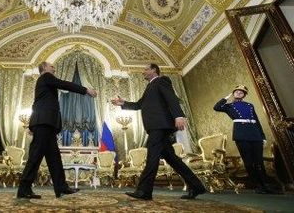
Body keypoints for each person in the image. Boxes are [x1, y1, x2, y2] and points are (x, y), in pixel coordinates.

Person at [111, 63, 205, 200]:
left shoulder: (162, 80)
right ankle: (196, 186)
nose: (143, 72)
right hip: (155, 127)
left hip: (160, 126)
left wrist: (179, 115)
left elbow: (171, 97)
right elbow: (139, 104)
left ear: (154, 70)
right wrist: (123, 103)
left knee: (152, 157)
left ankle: (144, 191)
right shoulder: (150, 86)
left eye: (146, 69)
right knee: (173, 159)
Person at [17, 62, 97, 199]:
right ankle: (24, 189)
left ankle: (61, 187)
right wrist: (86, 90)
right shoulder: (46, 76)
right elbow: (64, 84)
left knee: (54, 158)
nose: (54, 68)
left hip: (46, 124)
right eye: (51, 66)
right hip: (44, 123)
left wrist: (32, 123)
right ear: (44, 68)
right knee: (35, 157)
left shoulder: (44, 82)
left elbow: (36, 103)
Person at [214, 85, 274, 194]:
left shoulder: (250, 105)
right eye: (236, 91)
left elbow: (257, 121)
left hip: (255, 134)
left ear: (244, 95)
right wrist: (226, 98)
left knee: (259, 161)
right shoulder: (229, 106)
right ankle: (257, 186)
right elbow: (216, 107)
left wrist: (262, 136)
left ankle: (266, 185)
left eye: (241, 92)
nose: (239, 93)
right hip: (241, 135)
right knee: (249, 161)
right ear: (233, 93)